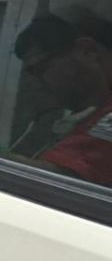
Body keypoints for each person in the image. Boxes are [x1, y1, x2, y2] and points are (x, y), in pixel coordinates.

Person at [14, 14, 112, 187]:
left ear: (87, 51)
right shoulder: (91, 112)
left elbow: (55, 180)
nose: (37, 85)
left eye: (41, 70)